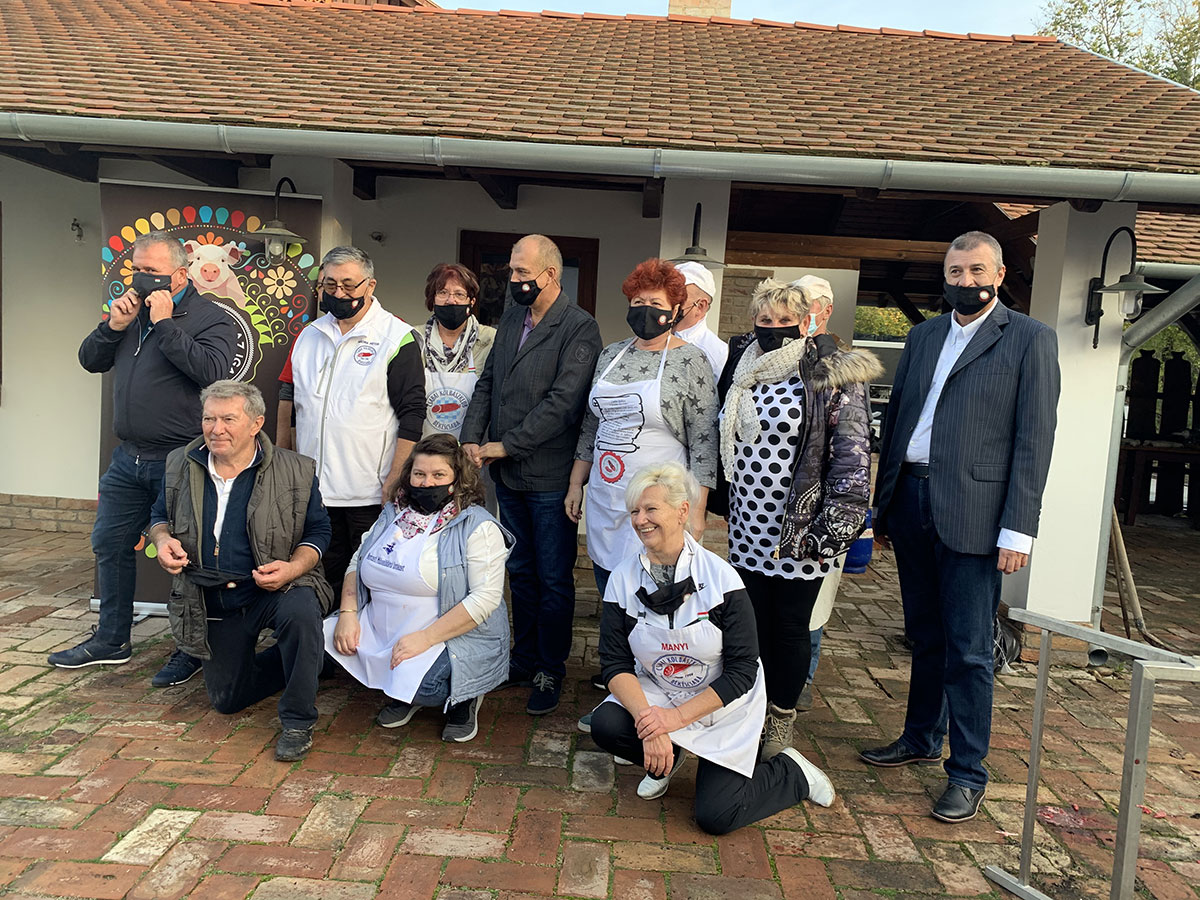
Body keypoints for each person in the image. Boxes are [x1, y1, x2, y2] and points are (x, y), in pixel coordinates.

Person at [863, 231, 1060, 824]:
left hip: (977, 513)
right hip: (911, 499)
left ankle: (968, 772)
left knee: (970, 650)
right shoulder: (923, 336)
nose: (965, 281)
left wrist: (1018, 529)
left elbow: (1034, 440)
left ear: (998, 275)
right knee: (924, 635)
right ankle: (921, 736)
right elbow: (898, 418)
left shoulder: (1030, 338)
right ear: (944, 276)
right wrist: (883, 506)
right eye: (955, 271)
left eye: (977, 271)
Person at [589, 461, 835, 834]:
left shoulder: (722, 580)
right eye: (634, 511)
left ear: (682, 511)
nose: (640, 520)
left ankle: (793, 772)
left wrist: (673, 720)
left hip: (723, 707)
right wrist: (652, 726)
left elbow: (742, 671)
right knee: (607, 724)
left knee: (716, 816)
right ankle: (669, 757)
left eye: (651, 509)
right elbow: (615, 664)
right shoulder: (622, 579)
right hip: (662, 693)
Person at [50, 231, 238, 688]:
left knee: (187, 554)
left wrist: (166, 323)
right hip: (128, 459)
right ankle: (112, 640)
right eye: (137, 269)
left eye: (152, 271)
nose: (141, 278)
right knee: (109, 543)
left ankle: (190, 649)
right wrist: (113, 327)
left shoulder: (212, 317)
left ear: (180, 275)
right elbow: (90, 360)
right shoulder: (129, 312)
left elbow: (213, 373)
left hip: (183, 460)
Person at [718, 276, 879, 761]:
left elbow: (852, 454)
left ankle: (780, 717)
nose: (774, 327)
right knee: (752, 622)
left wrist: (836, 525)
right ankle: (752, 706)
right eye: (765, 319)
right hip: (748, 521)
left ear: (805, 321)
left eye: (785, 319)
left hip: (800, 522)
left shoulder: (831, 370)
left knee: (789, 625)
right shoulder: (743, 366)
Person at [147, 381, 332, 762]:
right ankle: (311, 660)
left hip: (277, 588)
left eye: (228, 419)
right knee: (227, 700)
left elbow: (319, 532)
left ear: (255, 424)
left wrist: (293, 568)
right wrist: (162, 540)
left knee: (301, 613)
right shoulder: (180, 463)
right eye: (209, 419)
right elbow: (158, 517)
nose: (216, 429)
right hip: (214, 594)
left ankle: (298, 720)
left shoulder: (296, 469)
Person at [460, 234, 602, 716]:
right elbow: (488, 382)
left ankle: (549, 667)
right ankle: (523, 658)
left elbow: (564, 404)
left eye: (522, 272)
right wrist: (471, 435)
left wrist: (508, 444)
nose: (514, 279)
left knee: (553, 577)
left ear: (550, 275)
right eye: (512, 271)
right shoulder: (512, 318)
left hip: (548, 475)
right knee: (519, 570)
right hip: (508, 476)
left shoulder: (579, 327)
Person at [327, 434, 511, 742]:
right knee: (328, 640)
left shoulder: (478, 526)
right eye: (419, 474)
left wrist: (425, 639)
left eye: (439, 475)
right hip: (387, 626)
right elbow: (358, 561)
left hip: (446, 635)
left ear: (458, 479)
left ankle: (463, 696)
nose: (427, 483)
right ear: (409, 476)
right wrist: (347, 613)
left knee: (425, 686)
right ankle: (404, 686)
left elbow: (485, 599)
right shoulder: (393, 513)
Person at [566, 258, 718, 594]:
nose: (645, 309)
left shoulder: (691, 360)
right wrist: (576, 483)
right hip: (607, 496)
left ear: (675, 309)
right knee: (610, 587)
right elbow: (591, 425)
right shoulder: (610, 355)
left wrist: (697, 511)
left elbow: (705, 441)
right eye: (638, 302)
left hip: (659, 502)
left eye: (655, 303)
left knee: (654, 593)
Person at [283, 246, 425, 598]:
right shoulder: (309, 335)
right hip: (315, 490)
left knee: (368, 581)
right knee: (321, 581)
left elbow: (412, 414)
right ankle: (324, 634)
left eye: (348, 285)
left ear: (370, 285)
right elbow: (295, 408)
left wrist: (395, 477)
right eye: (330, 285)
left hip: (368, 492)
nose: (339, 293)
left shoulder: (396, 337)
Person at [420, 263, 496, 439]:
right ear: (432, 300)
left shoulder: (491, 340)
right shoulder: (414, 338)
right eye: (443, 293)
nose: (451, 300)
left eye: (459, 294)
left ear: (472, 301)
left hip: (472, 447)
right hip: (423, 447)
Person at [672, 261, 728, 379]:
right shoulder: (652, 339)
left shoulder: (718, 354)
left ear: (701, 306)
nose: (671, 303)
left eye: (679, 297)